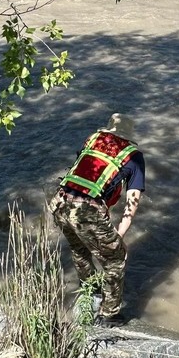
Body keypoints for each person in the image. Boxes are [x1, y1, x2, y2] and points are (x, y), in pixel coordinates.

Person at [50, 113, 145, 324]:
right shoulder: (133, 155)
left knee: (80, 249)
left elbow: (86, 178)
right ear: (129, 135)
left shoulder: (93, 139)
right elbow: (133, 200)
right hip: (85, 209)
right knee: (115, 259)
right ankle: (109, 314)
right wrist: (119, 235)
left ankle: (91, 293)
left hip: (59, 202)